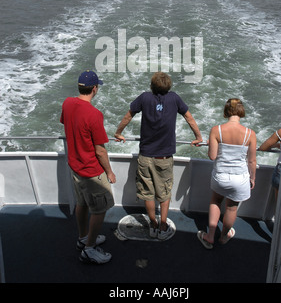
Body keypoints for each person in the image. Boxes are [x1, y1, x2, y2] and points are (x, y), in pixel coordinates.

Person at [114, 72, 203, 240]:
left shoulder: (144, 98)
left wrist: (118, 133)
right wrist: (198, 137)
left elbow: (128, 116)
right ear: (168, 86)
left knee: (147, 193)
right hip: (164, 158)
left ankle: (152, 225)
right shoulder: (175, 98)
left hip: (145, 156)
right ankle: (163, 225)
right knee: (164, 193)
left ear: (152, 86)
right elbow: (189, 118)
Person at [60, 70, 116, 264]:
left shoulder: (67, 103)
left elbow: (66, 122)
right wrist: (109, 172)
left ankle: (83, 236)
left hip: (75, 167)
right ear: (95, 89)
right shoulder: (94, 114)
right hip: (91, 172)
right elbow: (100, 150)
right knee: (99, 210)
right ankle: (89, 249)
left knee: (82, 204)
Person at [197, 98, 256, 249]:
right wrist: (253, 178)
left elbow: (212, 156)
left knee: (216, 201)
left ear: (226, 111)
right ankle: (223, 237)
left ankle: (210, 236)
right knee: (231, 208)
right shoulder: (250, 134)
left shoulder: (216, 130)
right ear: (241, 111)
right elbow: (251, 161)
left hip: (221, 176)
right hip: (240, 177)